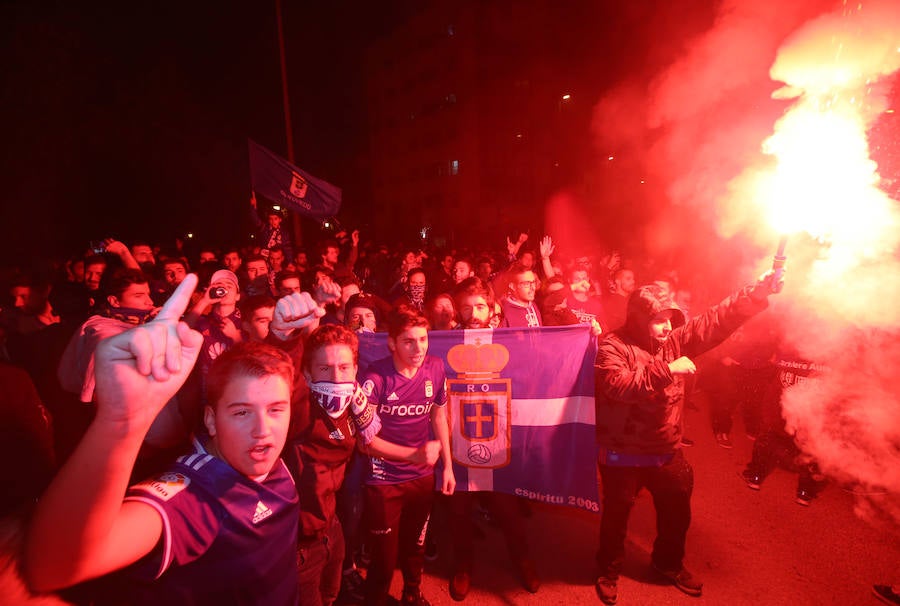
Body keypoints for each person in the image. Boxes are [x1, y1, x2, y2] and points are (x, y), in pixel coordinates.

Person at [25, 275, 301, 605]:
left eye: (275, 409)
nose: (262, 429)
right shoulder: (195, 494)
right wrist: (121, 420)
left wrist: (287, 337)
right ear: (211, 420)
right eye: (241, 412)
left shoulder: (267, 457)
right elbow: (56, 567)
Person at [593, 272, 782, 605]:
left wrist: (755, 294)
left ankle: (667, 564)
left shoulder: (675, 341)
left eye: (670, 319)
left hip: (666, 448)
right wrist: (667, 370)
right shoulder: (613, 345)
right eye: (658, 320)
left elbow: (715, 320)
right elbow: (617, 386)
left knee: (676, 513)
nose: (667, 327)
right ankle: (607, 570)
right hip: (623, 451)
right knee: (617, 515)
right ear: (639, 319)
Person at [359, 306, 455, 606]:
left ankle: (412, 593)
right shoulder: (375, 377)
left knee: (417, 545)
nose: (418, 348)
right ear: (392, 343)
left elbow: (440, 418)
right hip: (382, 480)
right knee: (384, 559)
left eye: (423, 339)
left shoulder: (436, 368)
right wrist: (414, 455)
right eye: (409, 341)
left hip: (422, 477)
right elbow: (365, 443)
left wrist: (448, 467)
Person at [283, 324, 381, 606]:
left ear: (354, 370)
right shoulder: (301, 411)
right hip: (299, 541)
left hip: (331, 526)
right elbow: (285, 379)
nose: (336, 377)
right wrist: (286, 338)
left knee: (331, 595)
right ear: (308, 373)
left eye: (344, 367)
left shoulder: (354, 405)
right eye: (325, 369)